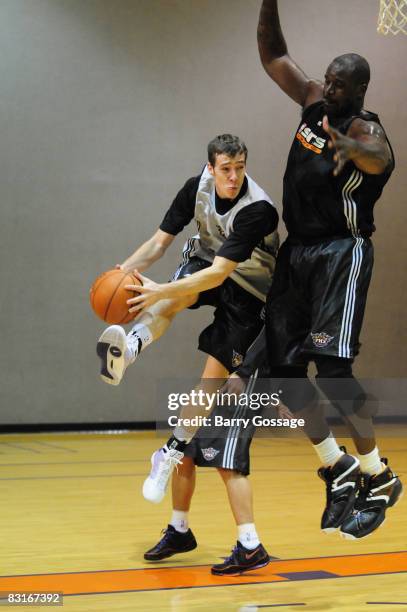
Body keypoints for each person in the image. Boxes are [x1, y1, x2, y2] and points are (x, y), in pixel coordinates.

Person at [229, 0, 402, 541]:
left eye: (339, 85)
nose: (328, 88)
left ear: (358, 91)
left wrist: (350, 145)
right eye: (327, 80)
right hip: (296, 254)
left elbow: (382, 159)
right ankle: (336, 464)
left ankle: (379, 473)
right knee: (282, 375)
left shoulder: (365, 127)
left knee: (332, 370)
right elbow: (273, 53)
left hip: (339, 255)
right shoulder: (311, 101)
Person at [96, 134, 279, 573]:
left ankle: (248, 543)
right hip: (207, 267)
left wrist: (160, 290)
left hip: (250, 294)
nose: (234, 176)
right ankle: (134, 344)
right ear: (210, 168)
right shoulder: (194, 188)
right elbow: (159, 243)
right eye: (225, 168)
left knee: (215, 432)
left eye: (240, 167)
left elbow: (219, 275)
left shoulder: (257, 209)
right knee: (193, 442)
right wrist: (122, 273)